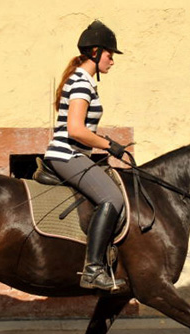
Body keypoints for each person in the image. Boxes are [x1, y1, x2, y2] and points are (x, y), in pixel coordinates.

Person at [44, 20, 127, 291]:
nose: (112, 61)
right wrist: (108, 144)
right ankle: (92, 269)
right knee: (112, 198)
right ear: (95, 52)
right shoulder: (81, 82)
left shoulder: (83, 80)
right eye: (109, 54)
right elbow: (76, 130)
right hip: (68, 154)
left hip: (76, 155)